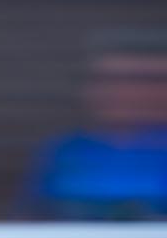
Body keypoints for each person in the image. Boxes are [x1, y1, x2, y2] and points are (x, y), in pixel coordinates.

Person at [25, 30, 167, 221]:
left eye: (146, 81)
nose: (126, 92)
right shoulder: (66, 151)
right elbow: (31, 222)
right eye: (109, 81)